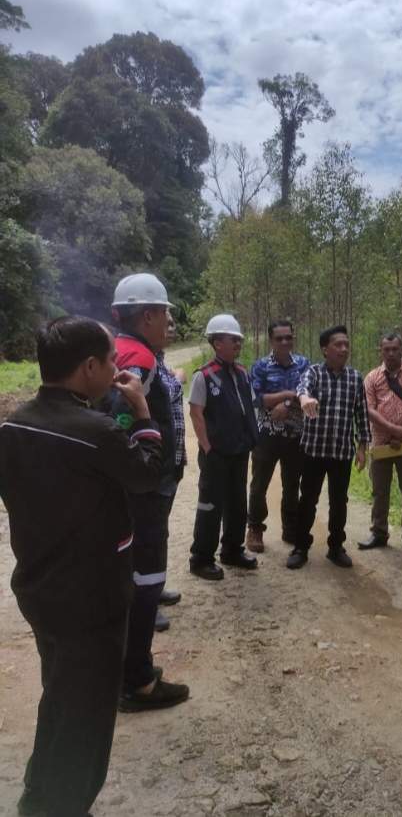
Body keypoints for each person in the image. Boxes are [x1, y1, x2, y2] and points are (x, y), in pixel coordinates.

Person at [0, 316, 164, 817]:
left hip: (40, 591)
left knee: (60, 697)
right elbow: (148, 474)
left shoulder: (12, 424)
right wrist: (140, 408)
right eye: (113, 360)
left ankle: (37, 798)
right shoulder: (96, 431)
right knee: (87, 720)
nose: (117, 368)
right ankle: (64, 805)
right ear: (89, 366)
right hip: (90, 600)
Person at [108, 273, 190, 712]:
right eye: (165, 313)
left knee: (136, 573)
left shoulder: (125, 350)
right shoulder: (136, 356)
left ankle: (128, 666)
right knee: (147, 576)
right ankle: (137, 681)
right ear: (147, 315)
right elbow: (120, 416)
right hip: (144, 485)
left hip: (140, 484)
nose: (169, 320)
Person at [286, 324, 371, 570]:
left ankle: (336, 547)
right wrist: (304, 399)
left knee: (339, 502)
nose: (344, 349)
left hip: (342, 452)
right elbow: (302, 389)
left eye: (346, 344)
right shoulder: (313, 373)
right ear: (325, 350)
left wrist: (362, 448)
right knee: (308, 500)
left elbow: (361, 414)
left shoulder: (355, 377)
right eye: (338, 345)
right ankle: (301, 547)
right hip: (314, 450)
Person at [188, 314, 259, 581]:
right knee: (210, 504)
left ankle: (232, 550)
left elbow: (249, 406)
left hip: (239, 451)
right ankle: (201, 558)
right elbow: (197, 413)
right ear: (217, 343)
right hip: (216, 453)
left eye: (239, 339)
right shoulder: (204, 376)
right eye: (233, 339)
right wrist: (207, 446)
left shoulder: (242, 373)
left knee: (238, 503)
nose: (238, 343)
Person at [359, 332, 402, 557]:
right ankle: (379, 532)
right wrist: (392, 429)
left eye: (394, 349)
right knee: (379, 491)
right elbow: (368, 409)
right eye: (386, 349)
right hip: (380, 441)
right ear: (380, 351)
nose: (390, 353)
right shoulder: (372, 378)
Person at [246, 320, 310, 552]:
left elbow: (308, 392)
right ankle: (254, 528)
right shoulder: (260, 366)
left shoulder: (304, 364)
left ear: (294, 339)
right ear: (271, 341)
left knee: (292, 484)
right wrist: (288, 395)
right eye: (280, 338)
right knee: (259, 484)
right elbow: (256, 399)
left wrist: (283, 401)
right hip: (267, 433)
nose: (285, 342)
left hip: (296, 434)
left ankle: (289, 526)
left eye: (289, 337)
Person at [154, 315, 188, 632]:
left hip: (169, 462)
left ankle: (154, 587)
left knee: (159, 530)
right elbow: (162, 396)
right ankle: (143, 603)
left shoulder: (159, 360)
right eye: (165, 321)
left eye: (173, 322)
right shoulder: (142, 361)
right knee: (146, 536)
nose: (172, 327)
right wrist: (178, 377)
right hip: (152, 466)